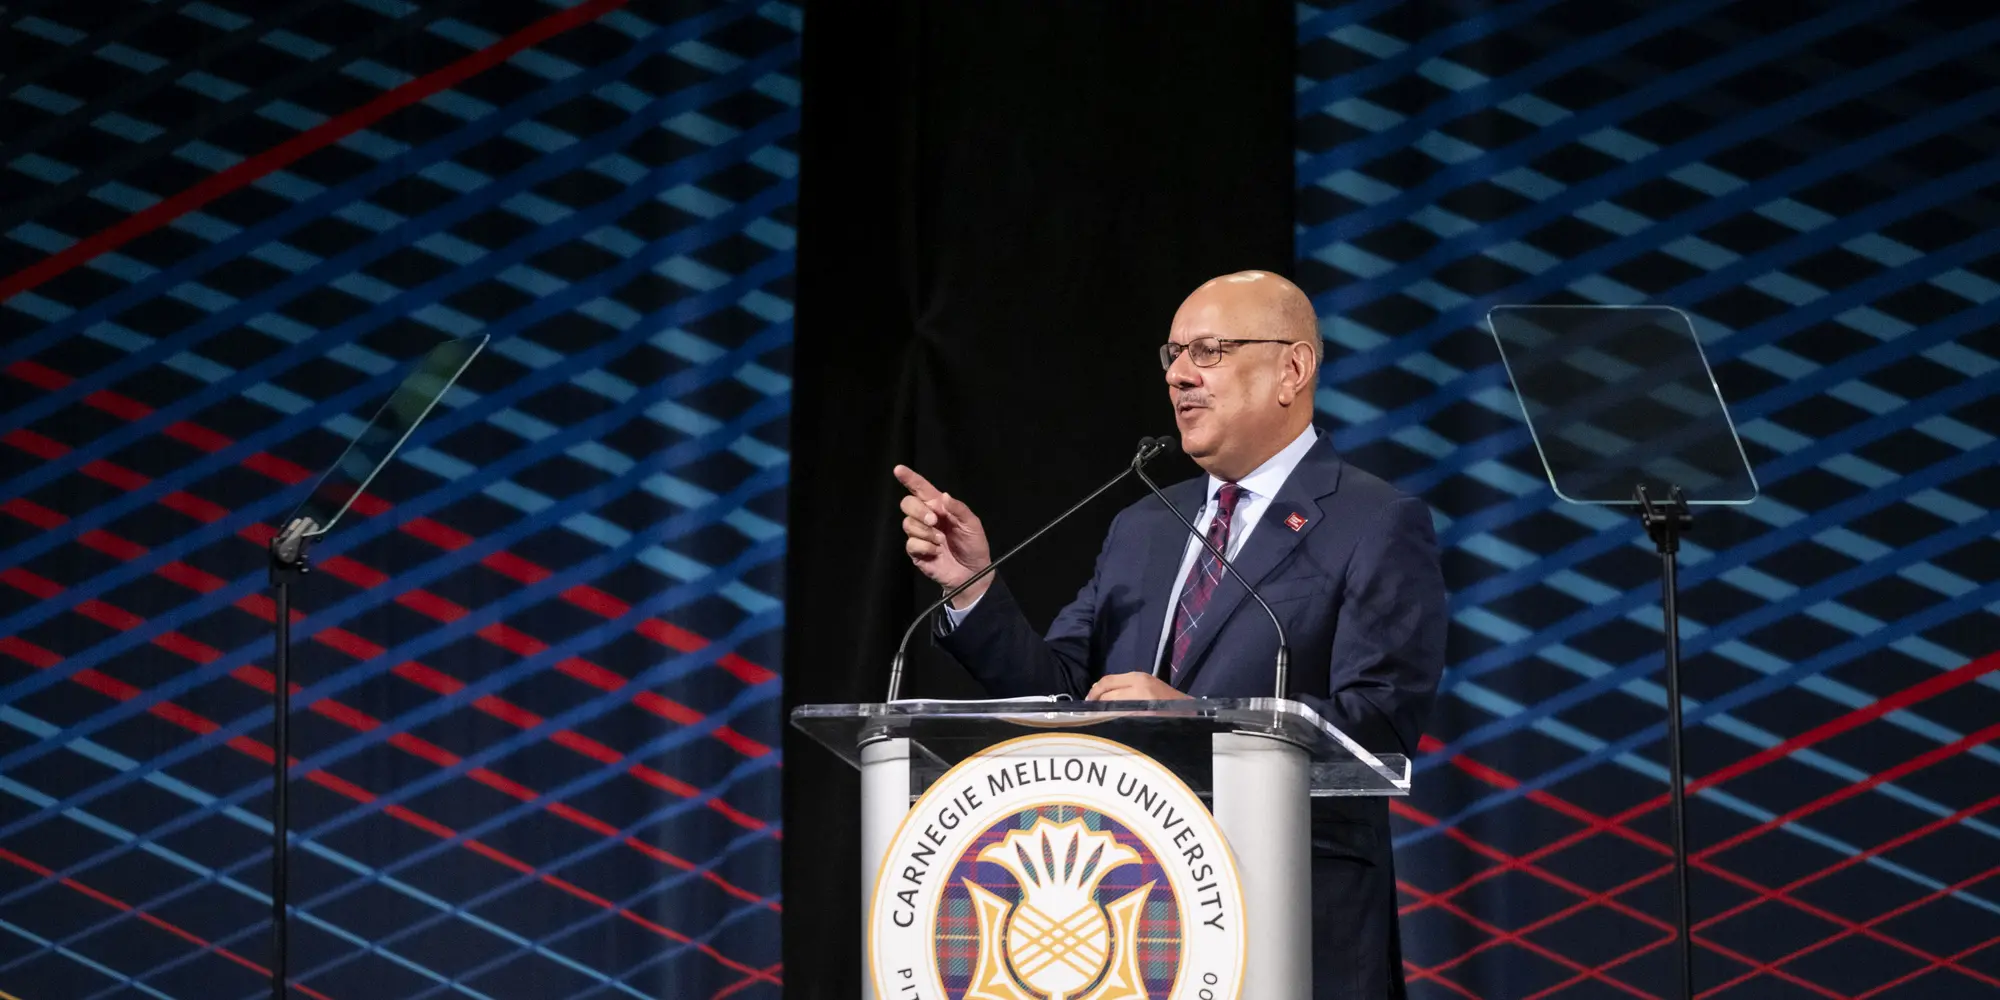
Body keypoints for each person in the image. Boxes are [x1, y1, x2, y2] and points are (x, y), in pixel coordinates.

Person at [894, 270, 1447, 1000]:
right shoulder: (1146, 522)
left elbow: (1376, 730)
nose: (1180, 375)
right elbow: (1064, 694)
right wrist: (975, 588)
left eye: (1210, 351)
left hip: (1291, 921)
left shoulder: (1373, 522)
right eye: (1174, 355)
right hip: (1137, 924)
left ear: (1293, 369)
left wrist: (1198, 722)